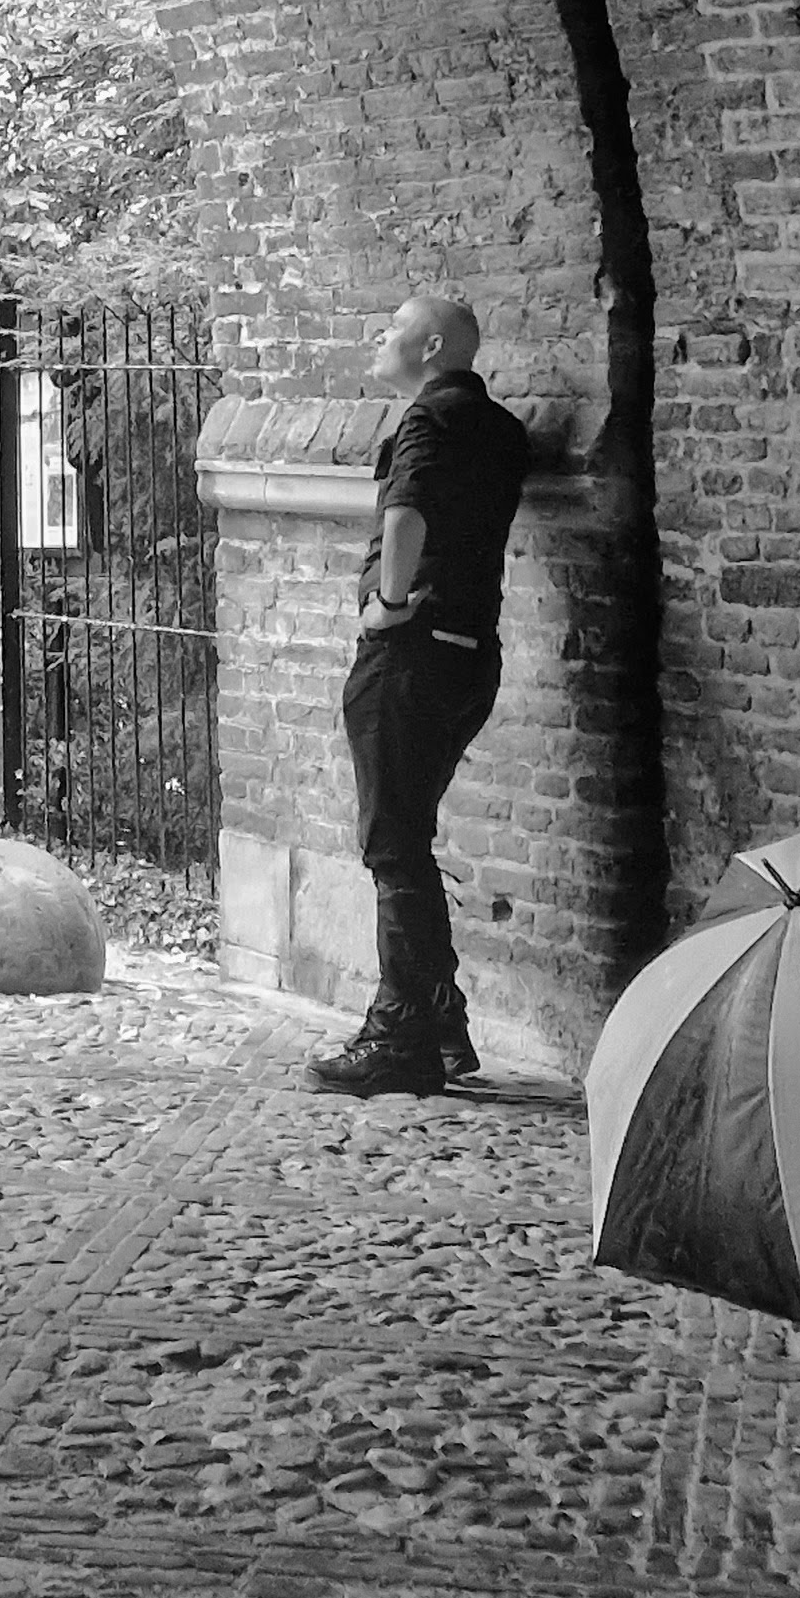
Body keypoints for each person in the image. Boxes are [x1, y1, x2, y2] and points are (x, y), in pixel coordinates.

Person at [304, 292, 531, 1097]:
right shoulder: (503, 432)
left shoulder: (427, 423)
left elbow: (407, 518)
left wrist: (388, 604)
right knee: (410, 838)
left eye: (391, 327)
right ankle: (440, 1025)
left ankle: (399, 1036)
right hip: (473, 658)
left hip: (407, 657)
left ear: (432, 345)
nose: (378, 335)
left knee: (392, 846)